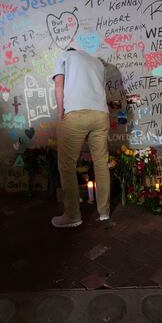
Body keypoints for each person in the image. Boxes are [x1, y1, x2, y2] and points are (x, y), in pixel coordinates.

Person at [51, 47, 110, 228]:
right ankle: (104, 212)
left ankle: (73, 216)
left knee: (67, 165)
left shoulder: (65, 56)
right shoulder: (97, 62)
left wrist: (60, 113)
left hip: (76, 114)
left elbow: (59, 85)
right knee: (101, 163)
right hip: (101, 114)